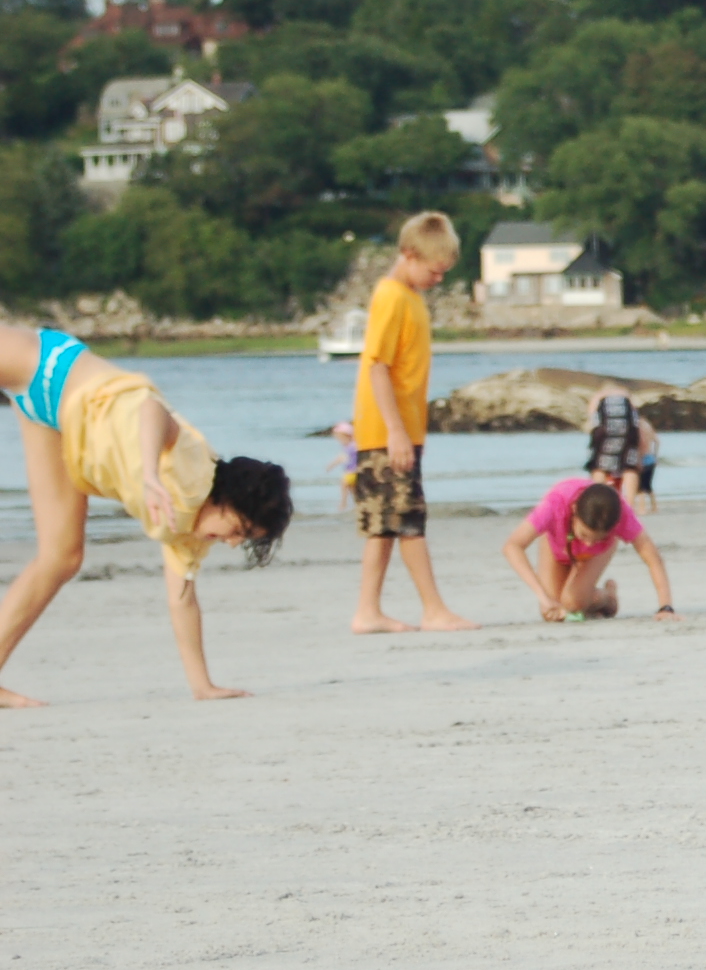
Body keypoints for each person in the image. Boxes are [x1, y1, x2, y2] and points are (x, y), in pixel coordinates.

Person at [0, 323, 294, 706]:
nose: (233, 542)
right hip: (49, 366)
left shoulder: (188, 535)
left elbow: (182, 601)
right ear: (230, 499)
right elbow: (151, 408)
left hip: (56, 423)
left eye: (244, 540)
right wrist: (151, 473)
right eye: (240, 529)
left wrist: (203, 686)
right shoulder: (195, 471)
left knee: (62, 557)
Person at [350, 211, 475, 634]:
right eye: (434, 271)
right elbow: (377, 367)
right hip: (386, 431)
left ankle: (368, 611)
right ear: (408, 254)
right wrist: (396, 431)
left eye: (443, 273)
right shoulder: (390, 296)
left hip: (397, 430)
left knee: (385, 526)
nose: (438, 280)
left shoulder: (411, 298)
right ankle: (433, 609)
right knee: (408, 522)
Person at [503, 475, 678, 624]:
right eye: (584, 534)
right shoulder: (554, 504)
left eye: (598, 538)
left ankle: (607, 598)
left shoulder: (623, 514)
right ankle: (592, 599)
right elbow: (512, 546)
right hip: (558, 542)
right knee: (551, 611)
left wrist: (666, 607)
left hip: (598, 553)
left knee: (572, 602)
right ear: (574, 510)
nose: (588, 544)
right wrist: (543, 597)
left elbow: (653, 558)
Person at [582, 384, 659, 509]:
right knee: (630, 468)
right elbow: (638, 428)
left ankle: (599, 503)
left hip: (604, 427)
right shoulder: (627, 397)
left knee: (599, 467)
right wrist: (641, 454)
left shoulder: (599, 396)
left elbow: (593, 419)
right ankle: (629, 506)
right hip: (628, 431)